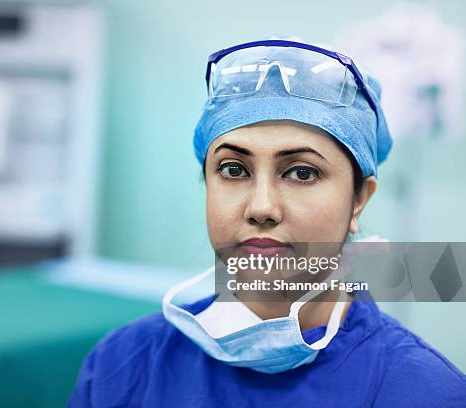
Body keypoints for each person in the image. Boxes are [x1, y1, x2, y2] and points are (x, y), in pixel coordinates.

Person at [68, 39, 466, 407]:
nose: (262, 207)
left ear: (359, 199)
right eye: (233, 169)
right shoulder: (123, 367)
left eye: (302, 173)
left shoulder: (424, 391)